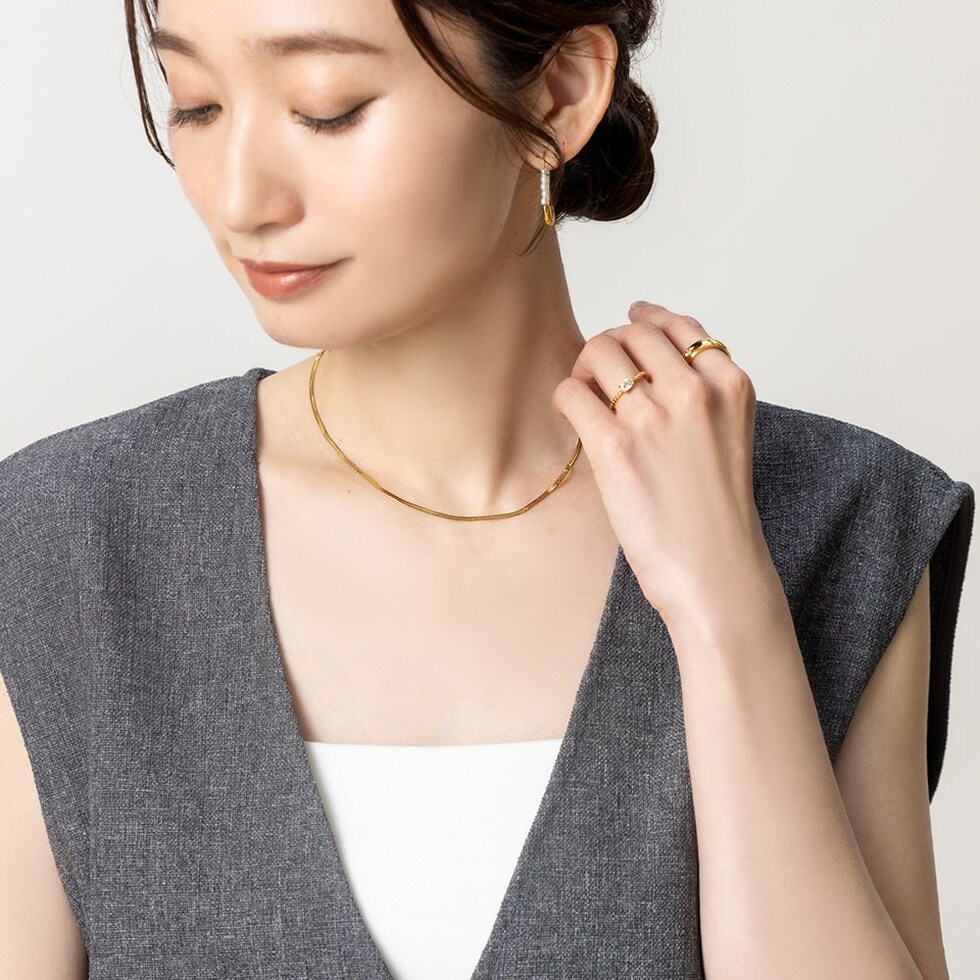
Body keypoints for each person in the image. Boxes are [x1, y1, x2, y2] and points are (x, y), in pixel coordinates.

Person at [0, 1, 973, 978]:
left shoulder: (840, 517)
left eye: (326, 108)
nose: (242, 198)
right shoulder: (64, 537)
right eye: (198, 105)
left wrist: (726, 608)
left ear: (558, 96)